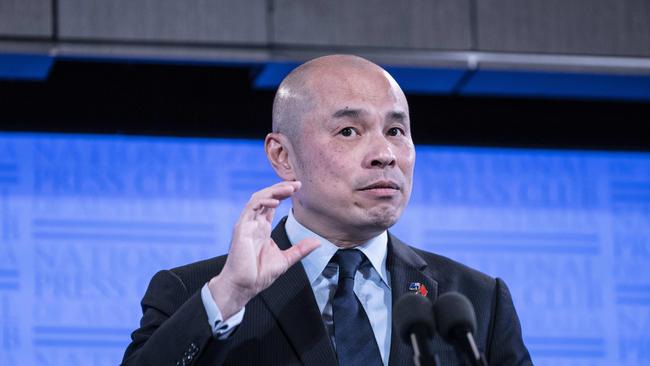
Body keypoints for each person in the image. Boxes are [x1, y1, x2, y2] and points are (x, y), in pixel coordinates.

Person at [121, 54, 532, 366]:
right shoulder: (193, 292)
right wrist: (230, 294)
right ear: (283, 155)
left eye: (395, 131)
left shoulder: (475, 301)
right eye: (349, 131)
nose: (385, 154)